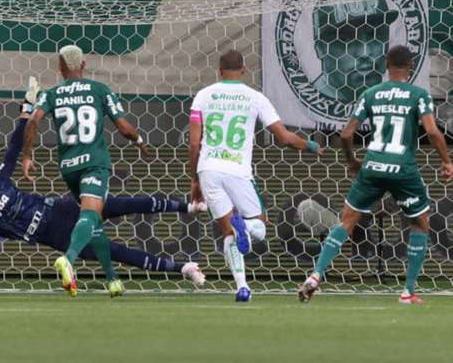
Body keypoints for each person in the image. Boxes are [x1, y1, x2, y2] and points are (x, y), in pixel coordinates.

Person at [0, 82, 205, 291]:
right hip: (55, 237)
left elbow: (13, 147)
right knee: (117, 253)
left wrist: (25, 110)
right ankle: (183, 268)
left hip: (60, 208)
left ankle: (186, 205)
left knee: (122, 205)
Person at [298, 45, 453, 304]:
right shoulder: (418, 94)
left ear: (385, 66)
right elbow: (433, 132)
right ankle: (408, 291)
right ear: (411, 67)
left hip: (372, 166)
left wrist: (351, 161)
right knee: (420, 223)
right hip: (403, 169)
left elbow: (346, 134)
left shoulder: (371, 93)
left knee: (346, 222)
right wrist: (447, 162)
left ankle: (315, 275)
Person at [189, 49, 324, 302]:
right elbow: (284, 138)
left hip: (208, 169)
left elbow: (194, 143)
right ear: (243, 70)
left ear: (219, 71)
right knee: (259, 227)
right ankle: (247, 227)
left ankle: (242, 288)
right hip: (238, 171)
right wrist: (311, 146)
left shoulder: (203, 96)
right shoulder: (255, 97)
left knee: (228, 232)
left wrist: (195, 179)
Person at [22, 46, 150, 297]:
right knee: (90, 216)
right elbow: (124, 128)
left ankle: (112, 280)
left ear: (60, 67)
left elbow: (33, 121)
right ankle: (68, 259)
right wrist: (139, 141)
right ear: (83, 64)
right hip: (94, 163)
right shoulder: (99, 90)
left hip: (69, 167)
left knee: (94, 222)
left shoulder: (51, 94)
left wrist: (27, 156)